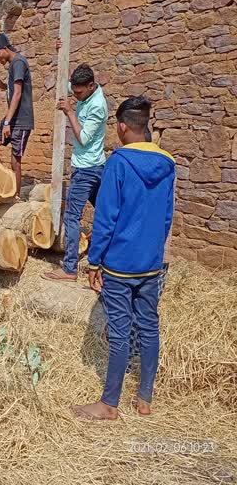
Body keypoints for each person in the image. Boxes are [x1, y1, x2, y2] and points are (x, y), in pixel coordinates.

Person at [73, 97, 175, 420]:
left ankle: (109, 404)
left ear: (121, 127)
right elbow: (167, 217)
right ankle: (144, 400)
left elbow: (105, 218)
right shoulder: (168, 163)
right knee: (149, 326)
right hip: (150, 264)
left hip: (119, 265)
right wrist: (154, 252)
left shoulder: (117, 163)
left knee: (118, 331)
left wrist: (94, 261)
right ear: (145, 125)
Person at [43, 63, 108, 282]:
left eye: (79, 92)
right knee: (107, 213)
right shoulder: (83, 90)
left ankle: (69, 268)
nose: (75, 95)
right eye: (74, 91)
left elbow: (83, 138)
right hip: (93, 165)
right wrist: (61, 50)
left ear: (91, 86)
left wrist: (70, 111)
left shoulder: (98, 106)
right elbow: (66, 81)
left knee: (72, 216)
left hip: (88, 168)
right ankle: (107, 260)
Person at [0, 33, 34, 197]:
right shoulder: (13, 64)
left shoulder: (18, 62)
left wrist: (7, 122)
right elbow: (15, 89)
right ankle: (7, 182)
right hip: (12, 120)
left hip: (20, 121)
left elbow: (18, 93)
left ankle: (16, 197)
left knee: (15, 161)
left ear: (5, 48)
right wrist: (4, 85)